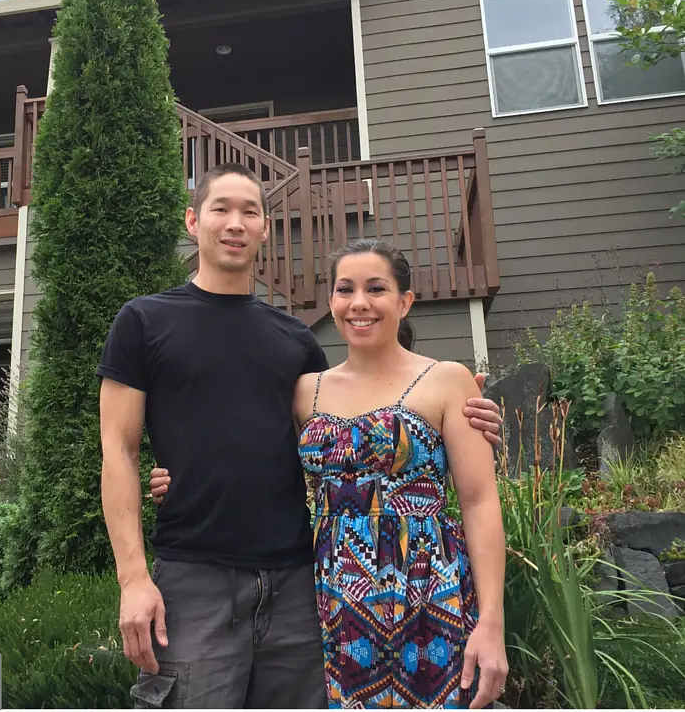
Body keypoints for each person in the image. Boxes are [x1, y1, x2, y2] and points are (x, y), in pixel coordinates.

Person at [98, 162, 504, 709]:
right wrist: (134, 576)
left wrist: (471, 419)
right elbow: (118, 451)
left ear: (266, 228)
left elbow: (311, 446)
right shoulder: (144, 321)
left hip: (303, 583)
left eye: (250, 211)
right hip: (198, 576)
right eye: (221, 209)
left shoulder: (295, 345)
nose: (235, 223)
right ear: (194, 221)